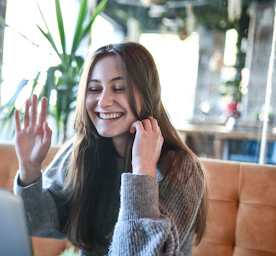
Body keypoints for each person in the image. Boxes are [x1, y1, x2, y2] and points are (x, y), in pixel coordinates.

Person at [13, 42, 208, 256]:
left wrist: (143, 171)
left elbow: (139, 252)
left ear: (148, 94)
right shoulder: (82, 149)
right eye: (94, 89)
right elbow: (39, 223)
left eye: (119, 88)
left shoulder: (181, 169)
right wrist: (29, 169)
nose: (103, 102)